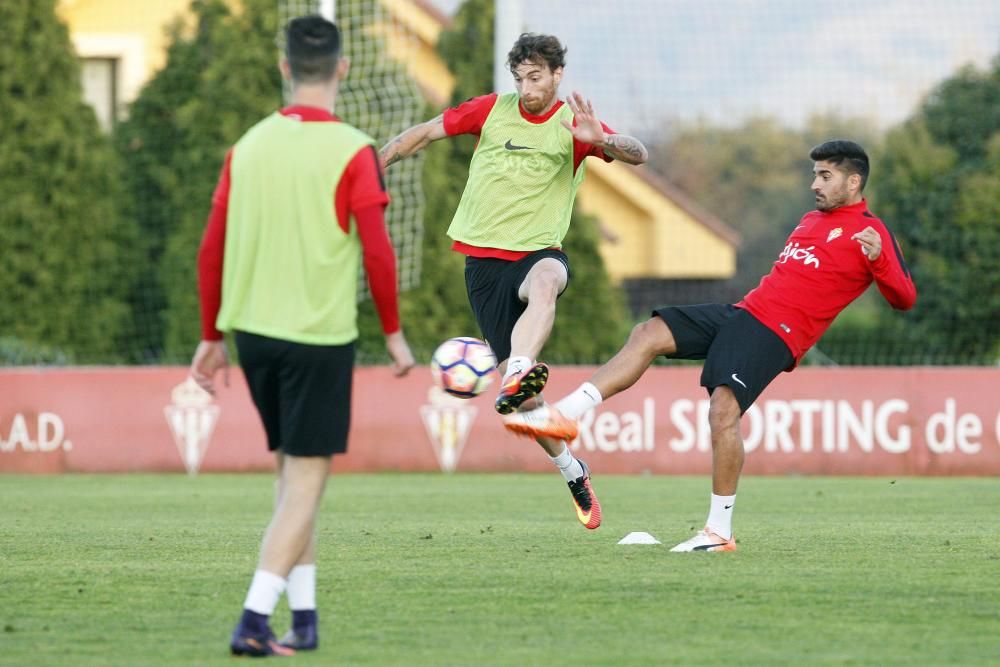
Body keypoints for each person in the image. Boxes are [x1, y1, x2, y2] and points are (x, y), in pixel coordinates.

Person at [504, 140, 917, 551]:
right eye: (815, 174)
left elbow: (905, 298)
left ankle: (719, 532)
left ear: (854, 181)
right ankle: (565, 415)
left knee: (722, 411)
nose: (815, 184)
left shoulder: (871, 230)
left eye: (826, 176)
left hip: (777, 333)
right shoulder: (810, 220)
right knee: (647, 335)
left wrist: (880, 258)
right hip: (743, 314)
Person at [189, 16, 414, 656]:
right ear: (341, 70)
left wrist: (211, 335)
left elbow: (211, 249)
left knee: (292, 477)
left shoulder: (249, 145)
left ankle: (306, 618)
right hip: (317, 338)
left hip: (254, 335)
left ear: (284, 68)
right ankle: (254, 620)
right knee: (307, 481)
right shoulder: (353, 149)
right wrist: (394, 334)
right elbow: (378, 252)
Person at [380, 33, 648, 530]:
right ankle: (572, 470)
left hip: (540, 252)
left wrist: (603, 139)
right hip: (482, 266)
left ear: (557, 75)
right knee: (528, 408)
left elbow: (639, 154)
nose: (527, 88)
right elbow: (424, 132)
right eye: (520, 78)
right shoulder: (490, 110)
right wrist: (376, 163)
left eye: (537, 77)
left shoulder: (574, 124)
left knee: (545, 283)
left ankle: (518, 369)